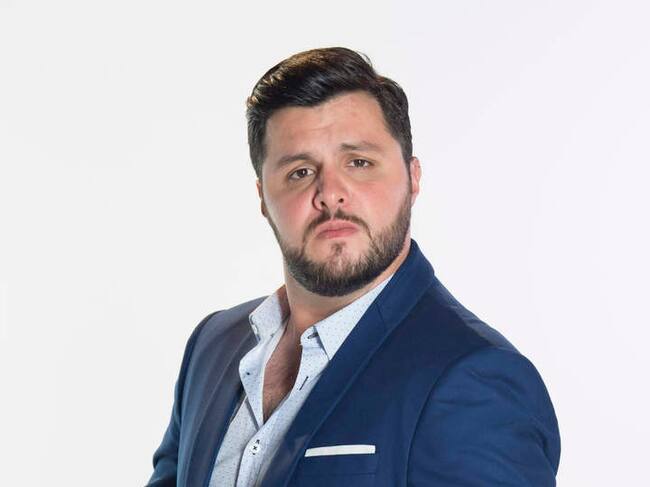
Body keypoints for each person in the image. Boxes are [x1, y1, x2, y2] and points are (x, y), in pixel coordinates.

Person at [147, 47, 561, 487]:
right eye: (300, 171)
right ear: (263, 198)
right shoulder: (213, 346)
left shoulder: (471, 377)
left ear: (413, 178)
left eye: (359, 163)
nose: (330, 193)